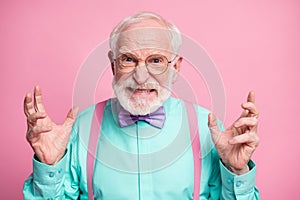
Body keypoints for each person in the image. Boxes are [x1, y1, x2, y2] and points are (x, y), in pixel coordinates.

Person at [23, 12, 260, 199]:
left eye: (156, 61)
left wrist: (236, 171)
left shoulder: (207, 126)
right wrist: (48, 165)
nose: (141, 76)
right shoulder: (82, 125)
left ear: (175, 68)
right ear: (114, 66)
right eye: (128, 59)